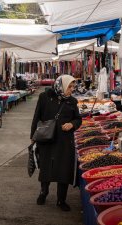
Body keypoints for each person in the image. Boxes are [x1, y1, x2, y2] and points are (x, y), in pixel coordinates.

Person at [30, 75, 82, 212]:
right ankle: (43, 192)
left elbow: (78, 119)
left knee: (63, 169)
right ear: (61, 85)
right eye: (69, 86)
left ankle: (61, 200)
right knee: (46, 167)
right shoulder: (44, 97)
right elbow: (37, 116)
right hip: (47, 138)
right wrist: (33, 136)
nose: (72, 89)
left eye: (73, 86)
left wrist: (72, 124)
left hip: (65, 141)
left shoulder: (72, 101)